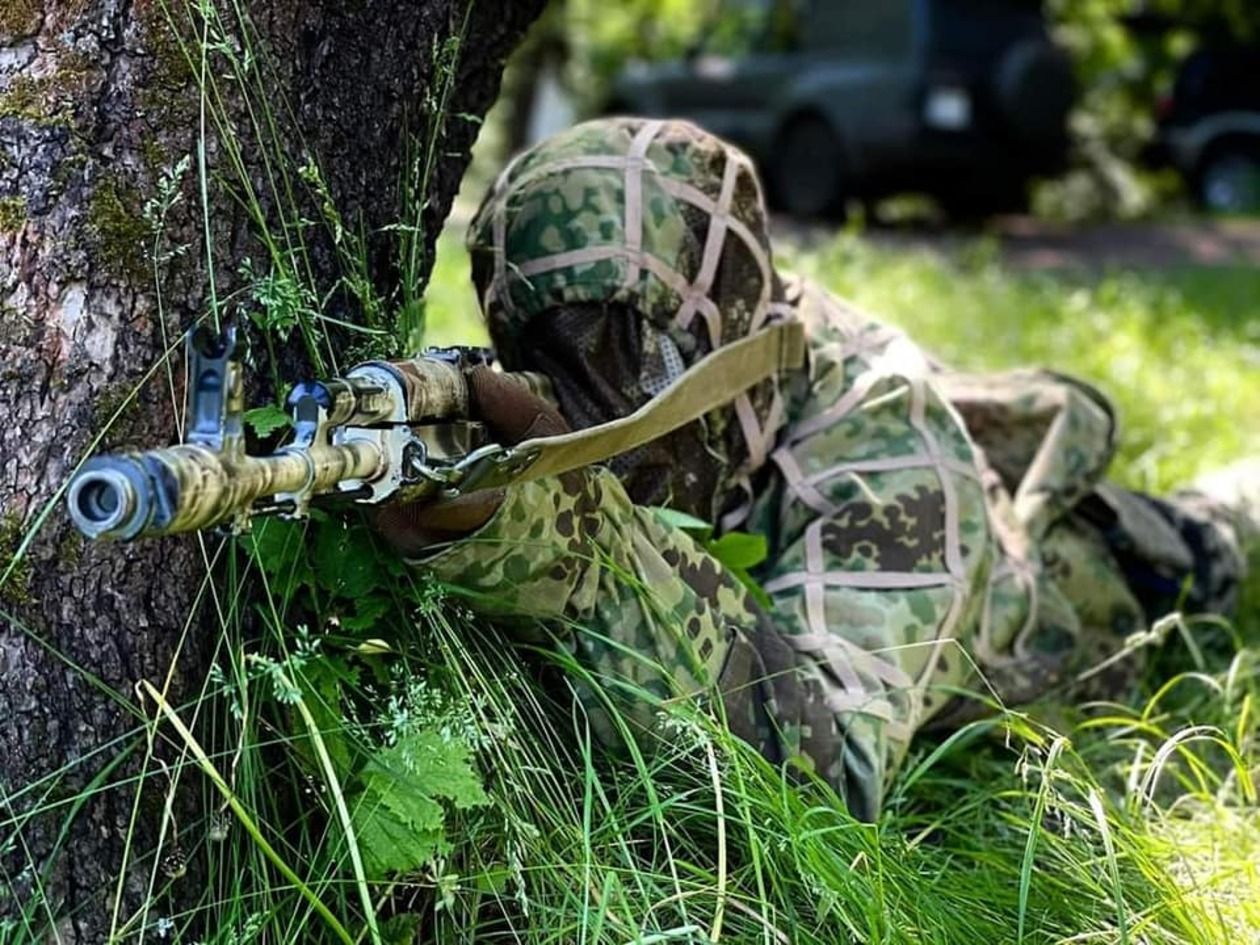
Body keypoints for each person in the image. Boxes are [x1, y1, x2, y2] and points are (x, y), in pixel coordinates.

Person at [375, 118, 1257, 821]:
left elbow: (827, 787)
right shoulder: (720, 317)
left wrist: (575, 553)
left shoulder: (887, 451)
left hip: (1083, 588)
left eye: (643, 362)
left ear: (730, 338)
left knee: (1219, 528)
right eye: (557, 354)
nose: (606, 395)